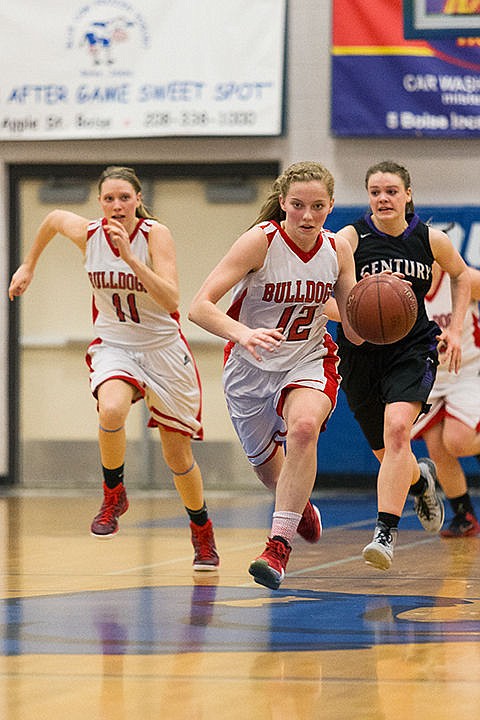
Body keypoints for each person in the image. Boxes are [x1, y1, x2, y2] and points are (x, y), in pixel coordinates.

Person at [8, 165, 219, 571]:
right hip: (115, 343)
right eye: (109, 198)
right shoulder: (88, 234)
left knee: (177, 457)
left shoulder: (156, 234)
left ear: (138, 199)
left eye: (125, 197)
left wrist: (130, 259)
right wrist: (28, 265)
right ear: (100, 203)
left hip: (162, 349)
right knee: (111, 409)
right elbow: (52, 220)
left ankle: (202, 529)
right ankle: (113, 493)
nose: (117, 205)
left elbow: (172, 299)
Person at [188, 160, 362, 590]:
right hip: (249, 368)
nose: (307, 215)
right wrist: (243, 333)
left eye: (318, 206)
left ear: (331, 206)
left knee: (304, 427)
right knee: (273, 475)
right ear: (283, 202)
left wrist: (381, 312)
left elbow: (354, 332)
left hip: (309, 357)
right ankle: (297, 506)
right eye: (298, 205)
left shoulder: (337, 249)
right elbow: (200, 306)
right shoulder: (260, 242)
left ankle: (277, 547)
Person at [332, 159, 471, 571]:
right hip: (359, 353)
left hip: (412, 348)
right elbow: (324, 291)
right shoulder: (349, 239)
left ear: (408, 194)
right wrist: (350, 314)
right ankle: (420, 480)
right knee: (388, 452)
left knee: (398, 431)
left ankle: (384, 533)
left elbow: (463, 276)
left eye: (391, 190)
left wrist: (458, 329)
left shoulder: (431, 240)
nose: (383, 198)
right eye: (375, 192)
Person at [412, 258, 480, 537]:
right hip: (432, 377)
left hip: (469, 368)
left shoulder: (463, 279)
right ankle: (464, 515)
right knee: (437, 446)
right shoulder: (405, 289)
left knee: (458, 440)